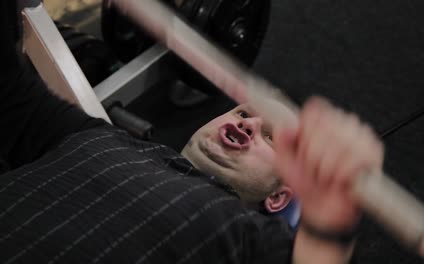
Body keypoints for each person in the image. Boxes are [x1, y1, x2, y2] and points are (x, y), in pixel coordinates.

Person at [0, 3, 384, 264]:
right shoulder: (106, 139)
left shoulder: (243, 235)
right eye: (244, 112)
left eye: (270, 137)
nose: (249, 123)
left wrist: (332, 219)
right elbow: (11, 92)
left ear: (280, 196)